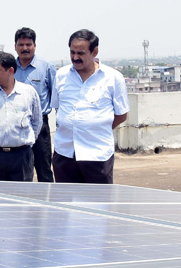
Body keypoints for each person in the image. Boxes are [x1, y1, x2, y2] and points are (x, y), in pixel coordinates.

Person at [51, 29, 129, 184]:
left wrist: (96, 128)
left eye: (80, 53)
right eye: (72, 52)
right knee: (66, 204)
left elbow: (121, 115)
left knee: (98, 203)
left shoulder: (113, 78)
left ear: (95, 51)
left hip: (97, 154)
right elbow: (58, 107)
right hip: (65, 153)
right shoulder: (61, 75)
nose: (75, 57)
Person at [0, 52, 43, 182]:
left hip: (21, 157)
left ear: (10, 70)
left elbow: (36, 121)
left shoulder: (28, 93)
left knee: (20, 198)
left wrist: (22, 141)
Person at [13, 28, 57, 182]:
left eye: (28, 44)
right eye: (21, 44)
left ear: (35, 45)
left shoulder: (46, 68)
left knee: (44, 168)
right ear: (15, 46)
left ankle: (48, 203)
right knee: (20, 170)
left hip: (40, 125)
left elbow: (56, 97)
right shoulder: (9, 68)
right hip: (16, 125)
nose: (25, 48)